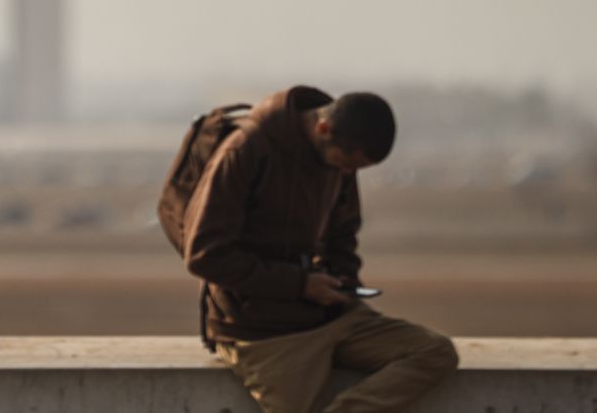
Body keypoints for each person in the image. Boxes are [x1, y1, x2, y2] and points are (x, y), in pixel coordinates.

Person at [184, 86, 457, 412]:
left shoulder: (338, 158)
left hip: (326, 315)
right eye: (345, 164)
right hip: (259, 329)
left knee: (434, 352)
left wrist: (343, 281)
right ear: (323, 129)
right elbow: (205, 255)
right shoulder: (246, 149)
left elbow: (343, 232)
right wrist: (299, 284)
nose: (346, 175)